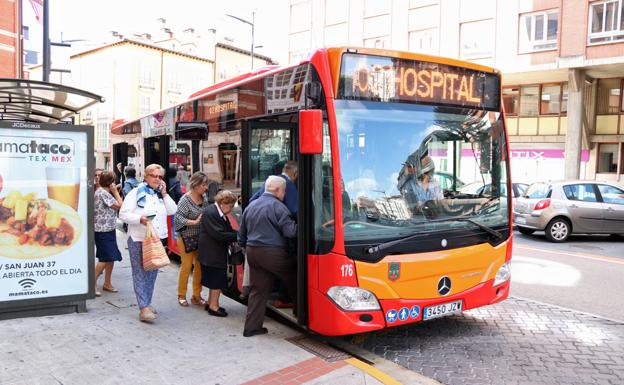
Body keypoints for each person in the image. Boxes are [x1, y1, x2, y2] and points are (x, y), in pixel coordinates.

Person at [238, 176, 297, 337]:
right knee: (295, 278)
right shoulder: (279, 207)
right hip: (273, 253)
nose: (284, 194)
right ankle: (301, 312)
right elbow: (290, 232)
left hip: (252, 252)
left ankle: (252, 328)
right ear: (278, 190)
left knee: (259, 289)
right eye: (284, 191)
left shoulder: (251, 206)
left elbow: (241, 235)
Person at [119, 164, 177, 322]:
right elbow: (123, 214)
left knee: (152, 272)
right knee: (140, 273)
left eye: (160, 177)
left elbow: (173, 211)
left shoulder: (159, 195)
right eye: (154, 176)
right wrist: (140, 219)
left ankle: (147, 302)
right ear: (146, 176)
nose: (157, 179)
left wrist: (165, 193)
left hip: (157, 239)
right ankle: (143, 308)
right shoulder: (135, 192)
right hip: (139, 238)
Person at [198, 190, 238, 317]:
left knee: (214, 280)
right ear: (223, 203)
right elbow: (219, 234)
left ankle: (211, 303)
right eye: (230, 206)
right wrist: (238, 236)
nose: (231, 209)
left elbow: (226, 230)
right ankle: (214, 307)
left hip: (212, 253)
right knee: (217, 280)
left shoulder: (216, 212)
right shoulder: (212, 213)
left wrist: (235, 233)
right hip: (212, 254)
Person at [174, 172, 210, 308]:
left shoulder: (204, 197)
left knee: (199, 267)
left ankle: (196, 296)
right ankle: (181, 295)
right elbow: (178, 219)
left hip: (200, 237)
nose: (205, 187)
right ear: (195, 185)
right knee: (186, 266)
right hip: (186, 237)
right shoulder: (185, 199)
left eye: (206, 184)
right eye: (203, 184)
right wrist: (194, 222)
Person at [93, 171, 123, 296]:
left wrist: (114, 191)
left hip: (107, 229)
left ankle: (107, 283)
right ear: (110, 183)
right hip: (103, 231)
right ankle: (91, 283)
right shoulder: (104, 193)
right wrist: (116, 193)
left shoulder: (102, 192)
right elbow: (120, 205)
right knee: (105, 259)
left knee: (111, 258)